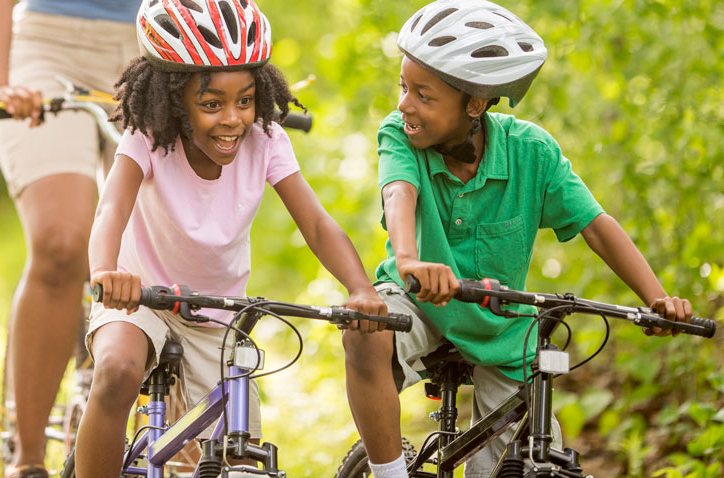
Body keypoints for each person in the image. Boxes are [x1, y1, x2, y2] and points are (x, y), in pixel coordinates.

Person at [341, 1, 694, 477]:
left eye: (423, 95)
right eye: (404, 87)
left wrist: (656, 300)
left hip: (502, 325)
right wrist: (408, 261)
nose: (405, 104)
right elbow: (398, 191)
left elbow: (596, 226)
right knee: (366, 330)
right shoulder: (400, 135)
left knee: (529, 461)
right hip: (417, 303)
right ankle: (388, 472)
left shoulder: (531, 152)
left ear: (475, 104)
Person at [75, 0, 387, 477]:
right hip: (137, 296)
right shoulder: (148, 135)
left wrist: (360, 287)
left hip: (215, 313)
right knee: (116, 370)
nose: (233, 119)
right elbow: (112, 208)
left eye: (245, 100)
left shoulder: (265, 139)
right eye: (211, 104)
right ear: (173, 100)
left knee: (240, 454)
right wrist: (105, 273)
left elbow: (318, 225)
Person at [0, 1, 140, 477]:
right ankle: (27, 459)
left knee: (151, 243)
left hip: (154, 45)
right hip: (48, 46)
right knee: (61, 242)